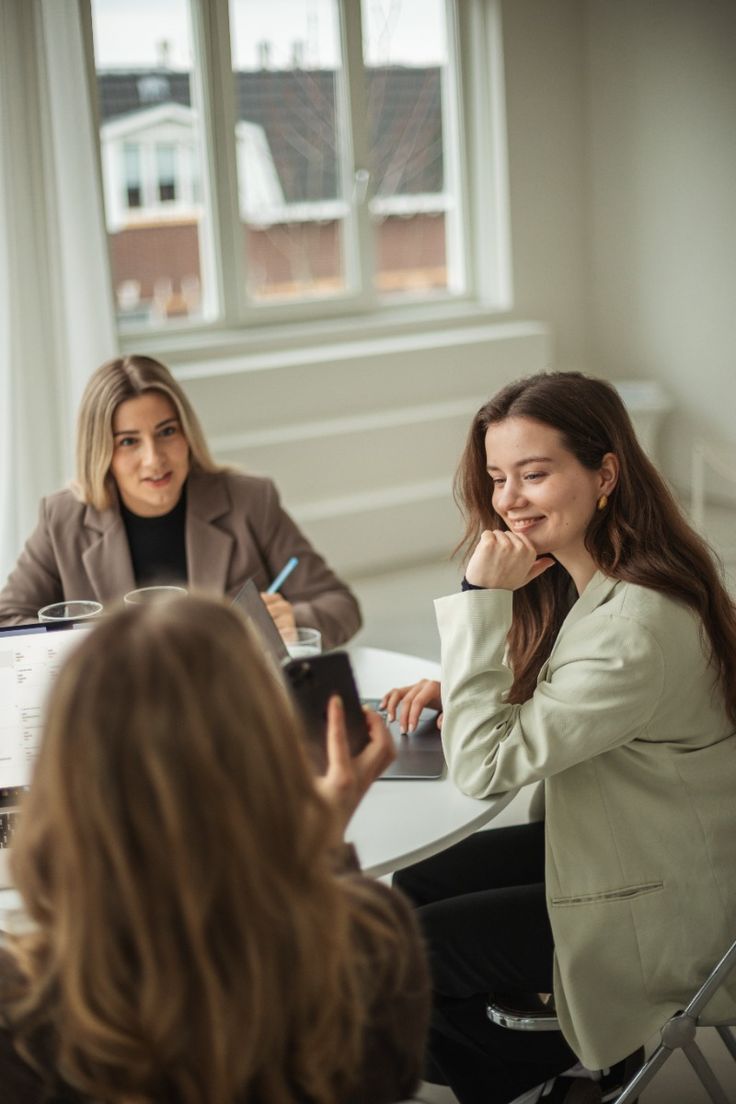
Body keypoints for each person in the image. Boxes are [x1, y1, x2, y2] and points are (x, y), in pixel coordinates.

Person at [382, 371, 736, 1104]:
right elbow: (572, 699)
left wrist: (483, 603)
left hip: (661, 908)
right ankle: (552, 1053)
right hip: (631, 846)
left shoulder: (633, 628)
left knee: (404, 958)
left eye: (534, 474)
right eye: (497, 477)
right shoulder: (614, 578)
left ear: (604, 474)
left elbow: (484, 768)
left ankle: (561, 1059)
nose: (508, 499)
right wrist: (468, 686)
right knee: (413, 888)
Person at [0, 595, 429, 1104]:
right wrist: (323, 842)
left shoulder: (19, 1008)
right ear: (270, 753)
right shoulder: (372, 938)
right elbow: (391, 1080)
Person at [0, 355, 360, 648]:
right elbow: (8, 620)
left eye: (167, 432)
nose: (154, 459)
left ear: (188, 433)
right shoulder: (62, 518)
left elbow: (341, 605)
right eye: (128, 441)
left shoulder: (250, 500)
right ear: (101, 452)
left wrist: (294, 621)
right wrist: (89, 647)